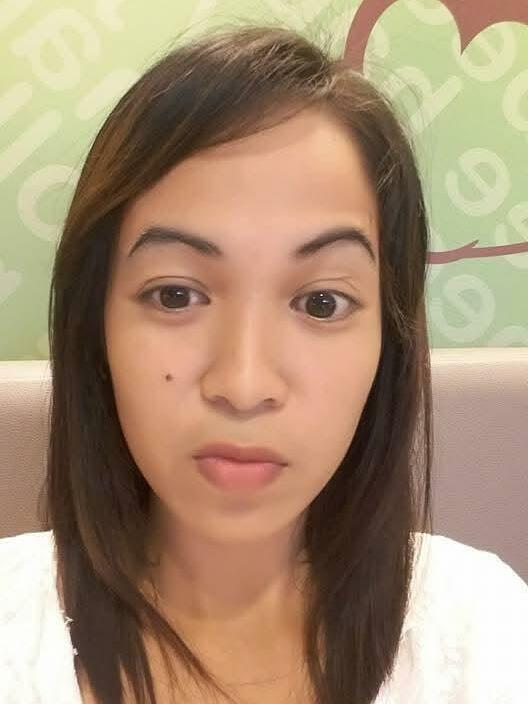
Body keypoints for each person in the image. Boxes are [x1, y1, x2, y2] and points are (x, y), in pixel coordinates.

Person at [1, 23, 527, 704]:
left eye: (321, 303)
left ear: (388, 344)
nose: (244, 386)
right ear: (93, 327)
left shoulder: (485, 633)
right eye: (175, 294)